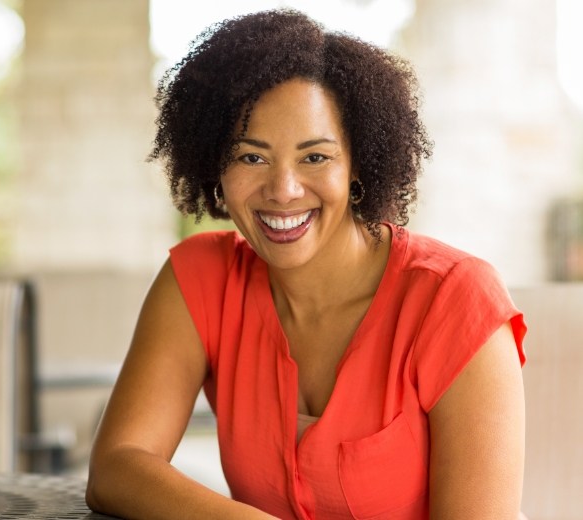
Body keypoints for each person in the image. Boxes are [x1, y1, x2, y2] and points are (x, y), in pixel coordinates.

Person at [86, 9, 527, 520]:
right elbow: (119, 465)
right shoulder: (201, 280)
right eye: (251, 157)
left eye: (315, 157)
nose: (283, 191)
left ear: (358, 161)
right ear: (215, 164)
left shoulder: (455, 301)